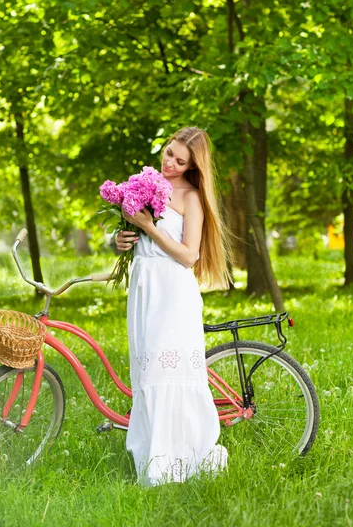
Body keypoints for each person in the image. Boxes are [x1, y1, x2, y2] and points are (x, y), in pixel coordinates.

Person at [115, 126, 230, 487]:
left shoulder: (191, 197)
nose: (171, 165)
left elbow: (188, 255)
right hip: (144, 287)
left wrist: (149, 227)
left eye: (182, 162)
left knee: (167, 374)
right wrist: (121, 239)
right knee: (147, 374)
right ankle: (151, 454)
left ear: (194, 166)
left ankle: (174, 463)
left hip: (173, 292)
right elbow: (137, 240)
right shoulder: (145, 186)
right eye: (169, 154)